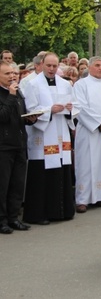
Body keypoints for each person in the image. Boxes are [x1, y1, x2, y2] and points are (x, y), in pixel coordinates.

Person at [23, 52, 78, 225]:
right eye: (49, 66)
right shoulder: (32, 84)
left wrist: (69, 109)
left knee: (61, 171)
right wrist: (49, 110)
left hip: (61, 132)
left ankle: (62, 211)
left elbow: (75, 107)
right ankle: (39, 214)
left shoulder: (65, 84)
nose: (52, 69)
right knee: (41, 175)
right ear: (41, 65)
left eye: (55, 66)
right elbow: (31, 109)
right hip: (43, 135)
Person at [73, 56, 101, 213]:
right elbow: (80, 107)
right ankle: (82, 199)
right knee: (85, 164)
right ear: (90, 67)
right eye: (97, 65)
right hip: (88, 131)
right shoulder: (81, 85)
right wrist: (100, 122)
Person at [0, 60, 38, 234]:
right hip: (4, 146)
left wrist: (30, 119)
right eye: (7, 73)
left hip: (20, 143)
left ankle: (14, 217)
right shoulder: (10, 93)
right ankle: (2, 220)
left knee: (17, 184)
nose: (12, 76)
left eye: (14, 73)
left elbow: (19, 115)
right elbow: (2, 117)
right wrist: (11, 96)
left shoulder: (17, 92)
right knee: (3, 185)